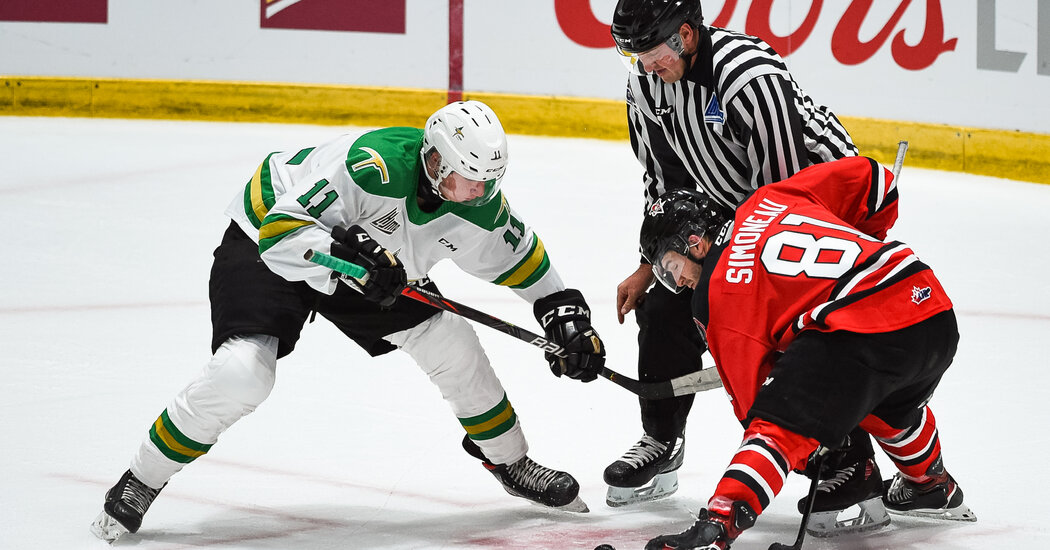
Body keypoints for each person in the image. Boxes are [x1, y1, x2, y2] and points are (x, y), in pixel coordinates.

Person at [89, 100, 606, 543]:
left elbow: (529, 265)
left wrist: (566, 316)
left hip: (368, 264)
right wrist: (352, 262)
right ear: (432, 160)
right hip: (273, 237)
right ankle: (141, 478)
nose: (479, 191)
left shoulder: (479, 205)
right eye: (467, 178)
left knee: (450, 340)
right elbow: (282, 233)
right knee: (242, 374)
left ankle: (509, 461)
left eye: (488, 180)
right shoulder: (369, 167)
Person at [603, 0, 872, 524]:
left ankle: (848, 459)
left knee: (799, 328)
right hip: (744, 207)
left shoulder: (748, 77)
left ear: (685, 34)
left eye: (652, 52)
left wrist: (751, 284)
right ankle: (662, 439)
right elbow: (667, 188)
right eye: (631, 54)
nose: (644, 65)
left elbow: (790, 196)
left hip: (826, 213)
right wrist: (647, 263)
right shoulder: (645, 83)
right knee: (663, 304)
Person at [637, 156, 976, 550]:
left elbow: (755, 412)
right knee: (885, 405)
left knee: (777, 425)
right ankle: (932, 486)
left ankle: (717, 525)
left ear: (694, 241)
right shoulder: (769, 197)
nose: (676, 281)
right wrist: (863, 243)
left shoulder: (715, 297)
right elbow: (877, 184)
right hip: (928, 307)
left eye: (669, 265)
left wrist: (804, 430)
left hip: (856, 328)